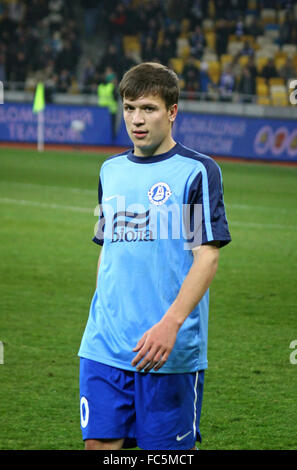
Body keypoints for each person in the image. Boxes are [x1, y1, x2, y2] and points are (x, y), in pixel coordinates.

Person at [78, 62, 231, 451]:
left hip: (169, 351)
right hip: (105, 345)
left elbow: (206, 257)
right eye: (129, 108)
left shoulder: (197, 172)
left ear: (173, 111)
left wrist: (171, 324)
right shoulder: (109, 170)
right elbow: (108, 249)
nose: (136, 120)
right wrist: (105, 315)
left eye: (148, 108)